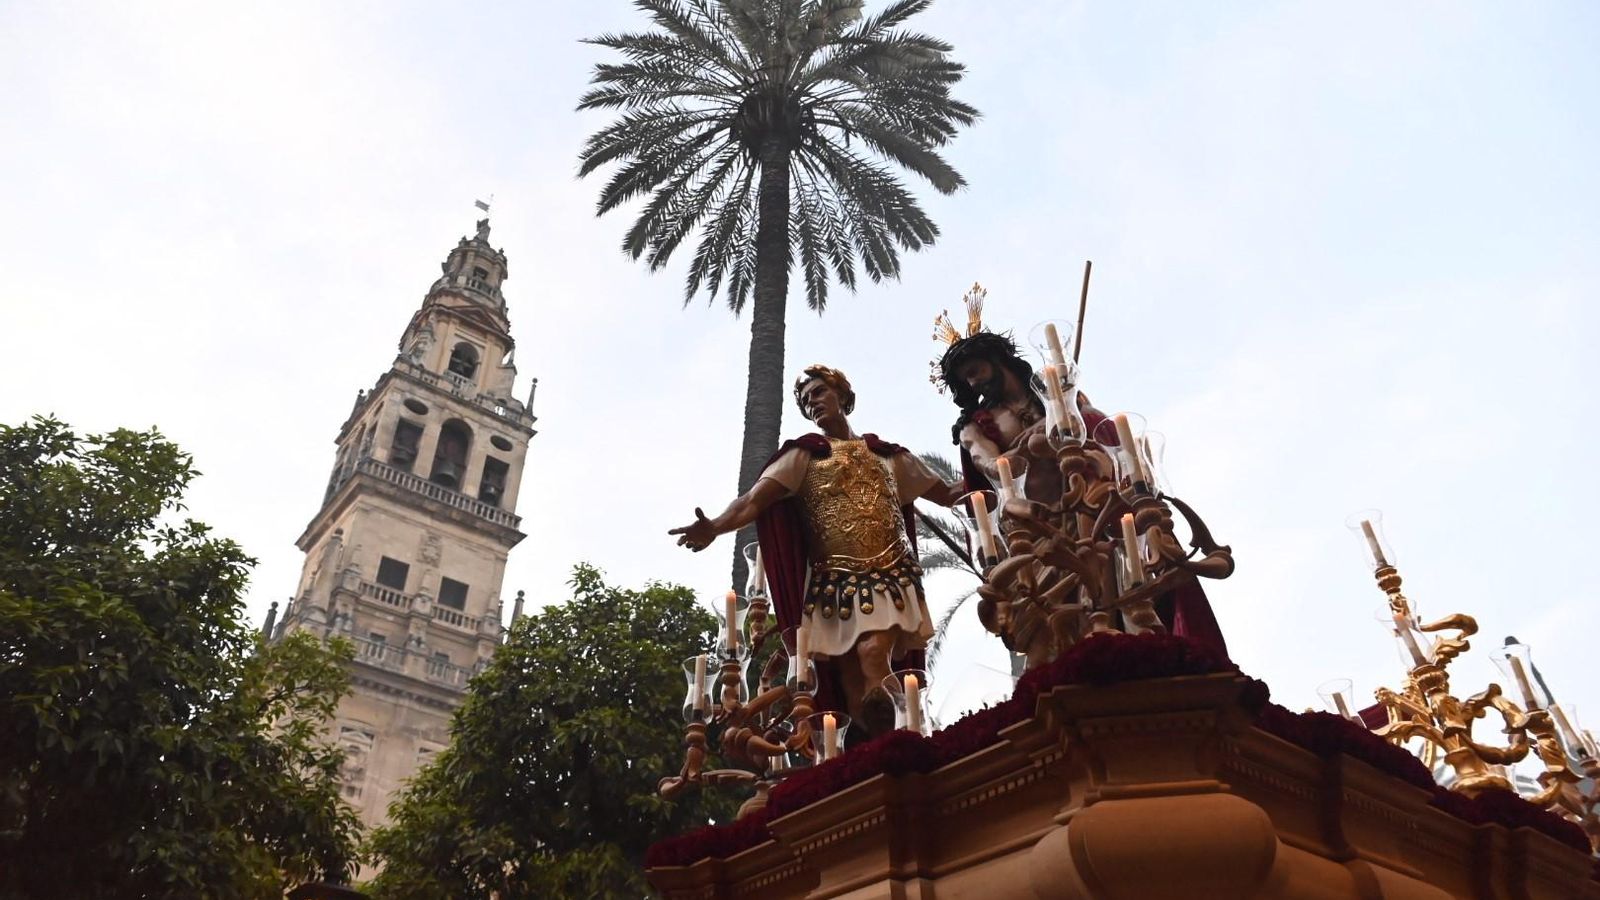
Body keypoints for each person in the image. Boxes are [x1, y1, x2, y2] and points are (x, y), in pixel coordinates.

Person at [933, 290, 1230, 661]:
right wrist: (1033, 442)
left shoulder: (1053, 392)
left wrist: (1065, 418)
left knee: (1124, 591)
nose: (973, 382)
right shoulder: (974, 427)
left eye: (975, 370)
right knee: (1061, 625)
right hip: (1044, 528)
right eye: (966, 379)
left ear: (995, 359)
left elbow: (1097, 429)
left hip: (1095, 508)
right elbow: (994, 468)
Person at [671, 365, 965, 735]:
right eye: (805, 400)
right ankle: (868, 759)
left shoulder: (888, 457)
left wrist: (983, 455)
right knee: (850, 686)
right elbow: (751, 502)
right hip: (833, 587)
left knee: (874, 654)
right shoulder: (802, 457)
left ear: (842, 394)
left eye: (819, 392)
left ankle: (908, 738)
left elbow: (951, 494)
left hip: (888, 575)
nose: (812, 403)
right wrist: (714, 526)